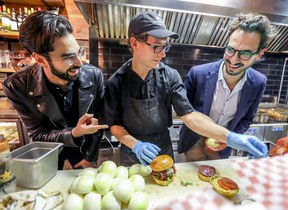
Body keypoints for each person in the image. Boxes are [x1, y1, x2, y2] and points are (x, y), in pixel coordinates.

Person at [101, 11, 268, 166]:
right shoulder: (116, 82)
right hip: (131, 151)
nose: (163, 54)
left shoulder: (170, 76)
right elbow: (115, 126)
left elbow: (189, 115)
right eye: (156, 46)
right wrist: (136, 145)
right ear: (134, 43)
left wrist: (230, 137)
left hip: (163, 149)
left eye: (165, 46)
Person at [3, 11, 108, 170]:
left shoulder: (94, 76)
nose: (80, 63)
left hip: (82, 151)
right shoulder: (17, 86)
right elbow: (38, 135)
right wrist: (74, 133)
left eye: (80, 52)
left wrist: (90, 157)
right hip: (47, 154)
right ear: (40, 59)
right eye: (68, 57)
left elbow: (98, 123)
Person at [178, 13, 278, 161]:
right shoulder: (198, 74)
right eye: (230, 50)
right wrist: (229, 137)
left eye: (244, 54)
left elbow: (247, 118)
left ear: (259, 54)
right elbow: (185, 112)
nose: (233, 59)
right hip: (193, 141)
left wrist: (231, 138)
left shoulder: (259, 82)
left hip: (223, 146)